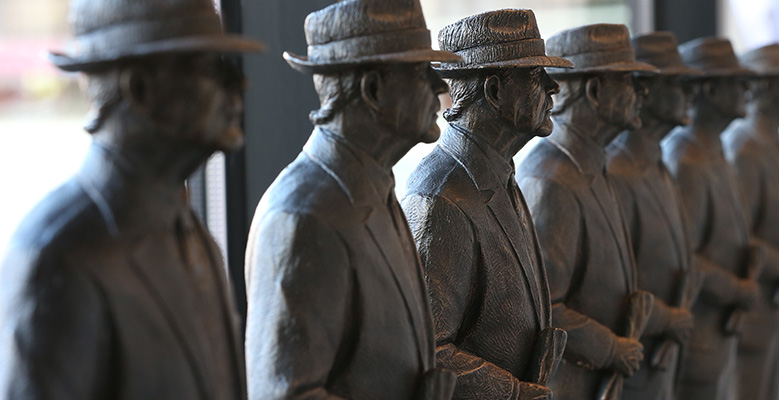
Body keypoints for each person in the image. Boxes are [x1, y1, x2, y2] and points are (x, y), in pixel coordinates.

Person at [0, 0, 263, 398]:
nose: (238, 83)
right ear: (140, 88)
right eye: (210, 67)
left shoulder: (193, 237)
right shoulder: (60, 255)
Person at [242, 1, 461, 398]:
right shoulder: (304, 215)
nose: (440, 86)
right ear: (373, 89)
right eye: (420, 72)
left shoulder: (374, 189)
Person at [401, 9, 572, 400]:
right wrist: (512, 392)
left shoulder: (499, 176)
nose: (553, 87)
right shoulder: (439, 198)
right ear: (494, 92)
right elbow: (427, 348)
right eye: (536, 76)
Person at [516, 23, 655, 400]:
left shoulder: (591, 167)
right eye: (627, 80)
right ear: (594, 91)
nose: (641, 92)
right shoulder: (551, 180)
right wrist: (609, 348)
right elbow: (544, 307)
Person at [661, 37, 761, 400]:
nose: (746, 91)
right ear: (710, 89)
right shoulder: (686, 159)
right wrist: (734, 288)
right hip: (700, 333)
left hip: (717, 332)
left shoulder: (714, 150)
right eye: (736, 82)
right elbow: (684, 257)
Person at [607, 31, 699, 400]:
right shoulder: (617, 173)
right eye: (676, 83)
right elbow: (609, 288)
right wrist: (663, 318)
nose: (689, 93)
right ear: (644, 90)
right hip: (634, 367)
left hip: (662, 365)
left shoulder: (658, 164)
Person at [723, 43, 779, 400]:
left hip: (774, 307)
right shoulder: (745, 148)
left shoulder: (773, 143)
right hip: (754, 310)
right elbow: (739, 238)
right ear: (767, 86)